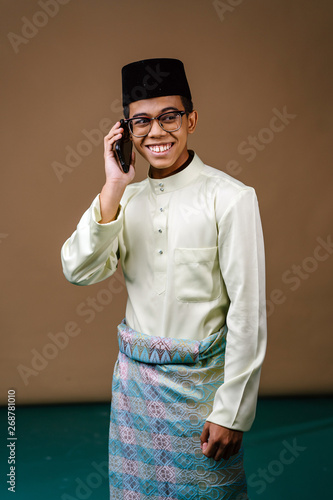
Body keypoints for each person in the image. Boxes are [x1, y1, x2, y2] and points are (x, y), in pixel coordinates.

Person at [61, 58, 267, 500]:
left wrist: (233, 413)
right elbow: (78, 270)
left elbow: (248, 313)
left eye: (169, 117)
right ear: (126, 131)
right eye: (142, 121)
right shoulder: (123, 200)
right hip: (136, 398)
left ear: (191, 119)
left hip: (203, 399)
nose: (156, 132)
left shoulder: (230, 198)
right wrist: (113, 185)